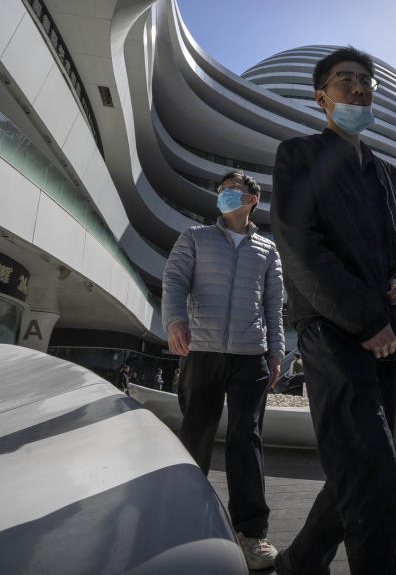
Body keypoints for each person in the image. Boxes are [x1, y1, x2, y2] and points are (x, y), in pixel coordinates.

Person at [270, 46, 396, 575]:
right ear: (322, 97)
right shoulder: (298, 155)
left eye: (367, 80)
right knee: (377, 483)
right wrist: (366, 320)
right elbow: (300, 245)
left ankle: (300, 562)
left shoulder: (390, 174)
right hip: (335, 335)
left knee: (360, 473)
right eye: (346, 80)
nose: (360, 88)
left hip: (390, 339)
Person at [162, 169, 284, 570]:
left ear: (252, 199)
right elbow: (175, 280)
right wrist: (175, 321)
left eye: (233, 190)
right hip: (203, 350)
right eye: (221, 191)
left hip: (251, 354)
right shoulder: (194, 238)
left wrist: (276, 351)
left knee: (245, 438)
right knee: (196, 430)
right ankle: (183, 520)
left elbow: (273, 306)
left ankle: (251, 532)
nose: (224, 195)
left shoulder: (267, 250)